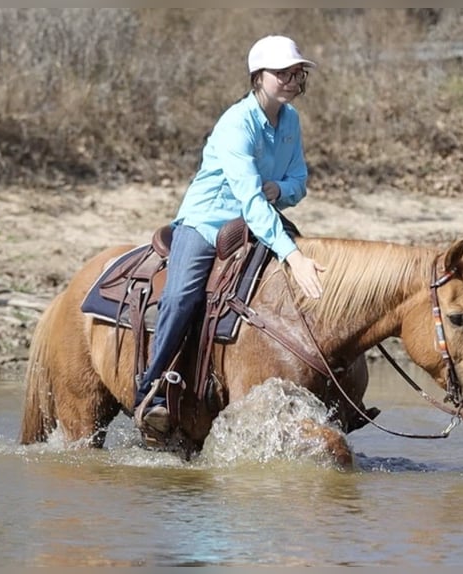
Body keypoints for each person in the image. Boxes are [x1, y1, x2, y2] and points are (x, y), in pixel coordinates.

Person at [135, 35, 326, 434]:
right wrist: (291, 254)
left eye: (297, 73)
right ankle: (150, 389)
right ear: (259, 77)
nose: (292, 81)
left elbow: (299, 181)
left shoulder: (290, 120)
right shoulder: (236, 124)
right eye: (283, 73)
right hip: (207, 222)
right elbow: (249, 199)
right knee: (182, 294)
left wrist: (280, 190)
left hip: (259, 219)